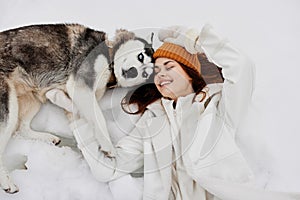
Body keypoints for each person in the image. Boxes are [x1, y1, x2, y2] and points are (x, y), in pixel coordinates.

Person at [47, 24, 299, 200]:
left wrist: (193, 38)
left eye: (169, 66)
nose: (161, 75)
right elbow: (108, 170)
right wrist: (76, 116)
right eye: (156, 70)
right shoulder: (151, 120)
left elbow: (242, 66)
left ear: (190, 72)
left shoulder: (216, 105)